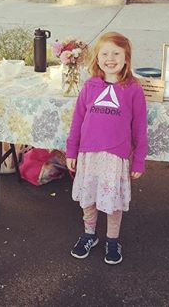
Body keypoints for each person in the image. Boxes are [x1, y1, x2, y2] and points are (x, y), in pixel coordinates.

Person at [66, 31, 148, 265]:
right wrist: (71, 150)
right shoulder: (90, 86)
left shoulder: (133, 89)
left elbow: (140, 127)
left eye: (116, 53)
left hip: (115, 157)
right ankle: (89, 234)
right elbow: (77, 120)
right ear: (97, 58)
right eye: (105, 53)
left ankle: (113, 239)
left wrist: (139, 159)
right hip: (88, 155)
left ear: (126, 58)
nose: (110, 58)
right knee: (89, 198)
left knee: (112, 201)